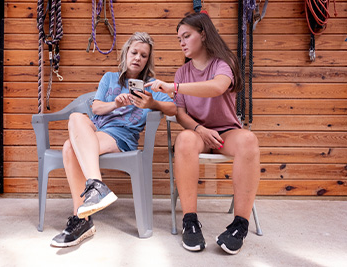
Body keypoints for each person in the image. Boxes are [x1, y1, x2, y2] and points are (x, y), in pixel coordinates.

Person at [146, 12, 260, 254]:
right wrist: (199, 129)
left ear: (204, 34)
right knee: (185, 139)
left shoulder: (223, 62)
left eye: (187, 36)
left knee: (249, 140)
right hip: (199, 133)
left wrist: (174, 87)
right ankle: (190, 221)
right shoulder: (182, 72)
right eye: (179, 39)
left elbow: (217, 87)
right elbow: (180, 113)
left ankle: (240, 225)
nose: (183, 42)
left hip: (226, 133)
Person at [51, 32, 177, 247]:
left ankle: (82, 220)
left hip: (123, 137)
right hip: (98, 129)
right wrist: (116, 104)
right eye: (134, 52)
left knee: (68, 148)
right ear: (126, 53)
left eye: (143, 55)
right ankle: (96, 186)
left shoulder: (152, 85)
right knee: (75, 117)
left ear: (148, 59)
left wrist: (151, 103)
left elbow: (173, 108)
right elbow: (96, 107)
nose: (138, 58)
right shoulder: (110, 78)